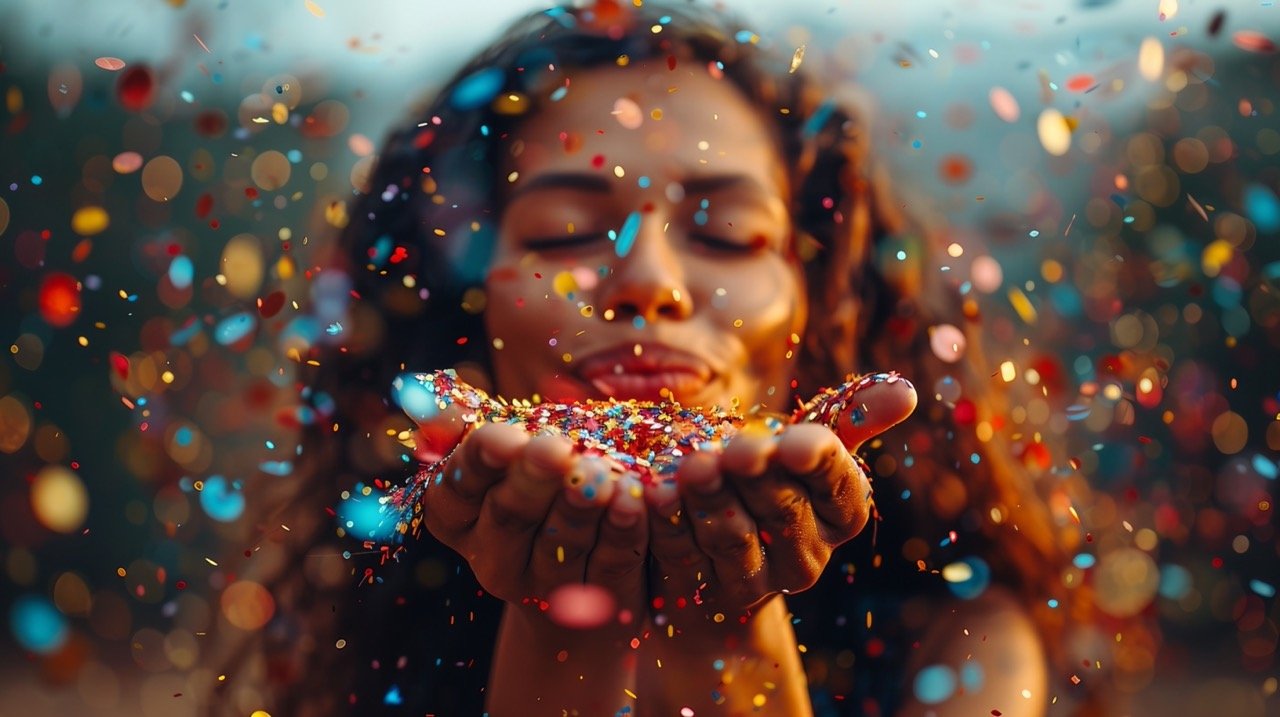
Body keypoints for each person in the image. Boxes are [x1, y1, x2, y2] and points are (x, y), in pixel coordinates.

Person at [204, 1, 1108, 715]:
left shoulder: (962, 648)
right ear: (467, 317)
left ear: (820, 305)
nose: (647, 281)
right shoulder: (373, 639)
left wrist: (733, 633)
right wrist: (561, 624)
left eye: (727, 232)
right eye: (566, 233)